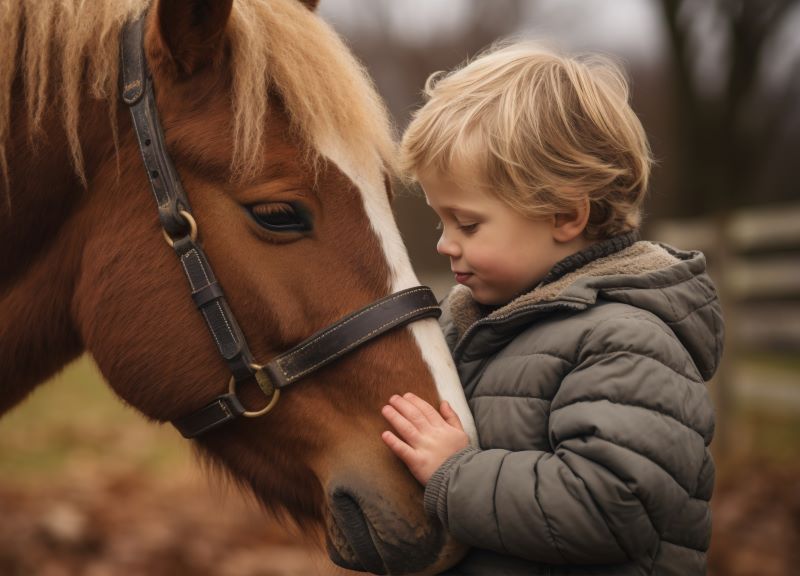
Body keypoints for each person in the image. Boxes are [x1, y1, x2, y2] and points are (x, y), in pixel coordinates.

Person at [380, 42, 724, 576]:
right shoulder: (472, 323)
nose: (445, 244)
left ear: (565, 215)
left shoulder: (627, 341)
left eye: (467, 224)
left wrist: (455, 473)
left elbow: (612, 508)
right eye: (440, 221)